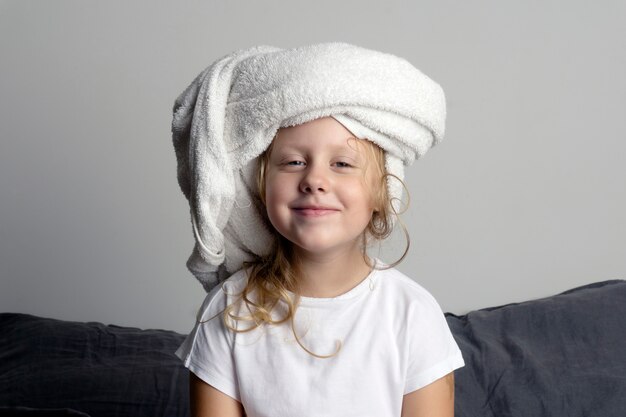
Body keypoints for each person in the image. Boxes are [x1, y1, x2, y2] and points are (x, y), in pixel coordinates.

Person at [172, 42, 465, 417]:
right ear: (261, 187)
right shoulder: (228, 311)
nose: (314, 179)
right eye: (293, 161)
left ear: (382, 190)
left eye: (342, 163)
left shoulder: (412, 315)